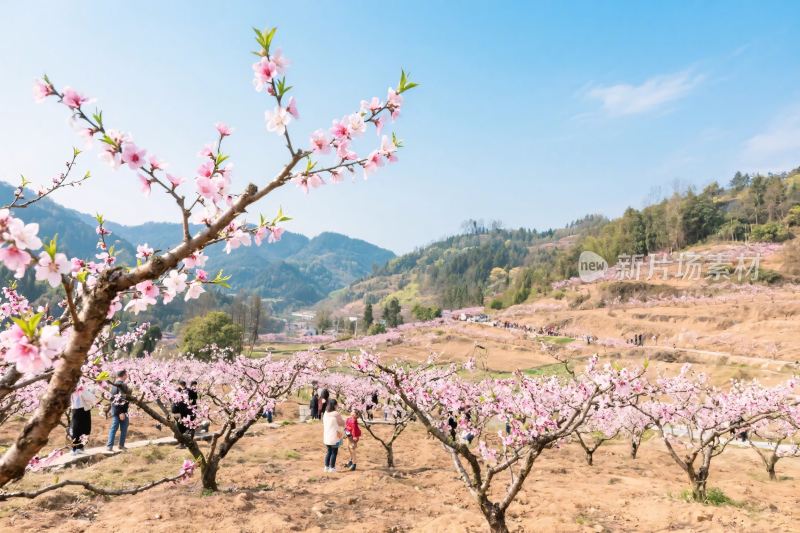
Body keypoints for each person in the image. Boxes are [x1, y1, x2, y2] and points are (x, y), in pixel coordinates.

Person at [69, 383, 97, 455]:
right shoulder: (81, 388)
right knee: (85, 429)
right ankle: (78, 448)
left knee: (76, 429)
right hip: (83, 410)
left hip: (74, 410)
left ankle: (75, 448)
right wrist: (94, 402)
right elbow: (90, 398)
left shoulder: (69, 389)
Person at [106, 370, 130, 451]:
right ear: (123, 375)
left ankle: (112, 446)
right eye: (126, 374)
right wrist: (121, 412)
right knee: (120, 428)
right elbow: (121, 399)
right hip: (121, 411)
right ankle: (117, 445)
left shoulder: (114, 385)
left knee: (115, 428)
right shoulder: (121, 385)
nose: (127, 376)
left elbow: (113, 399)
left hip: (115, 410)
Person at [322, 398, 345, 473]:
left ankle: (326, 467)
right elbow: (342, 423)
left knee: (329, 451)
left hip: (327, 436)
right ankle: (332, 468)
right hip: (335, 436)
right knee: (334, 452)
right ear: (335, 405)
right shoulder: (336, 414)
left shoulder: (325, 413)